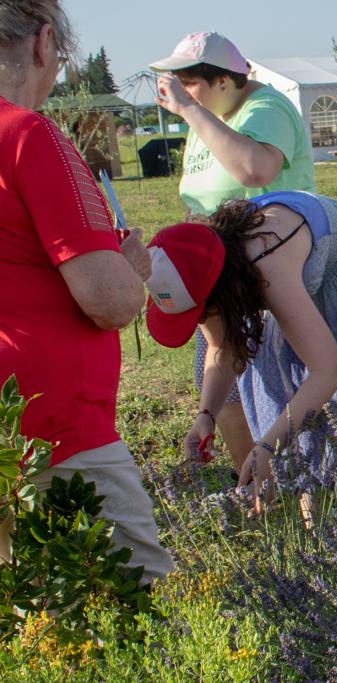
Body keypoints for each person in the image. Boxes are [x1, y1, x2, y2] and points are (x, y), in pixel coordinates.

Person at [0, 0, 172, 581]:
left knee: (22, 605)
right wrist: (128, 267)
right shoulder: (28, 135)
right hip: (51, 427)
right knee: (131, 596)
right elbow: (111, 301)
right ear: (43, 42)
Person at [145, 192, 337, 506]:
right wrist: (205, 416)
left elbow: (328, 371)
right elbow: (222, 347)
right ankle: (315, 517)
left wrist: (267, 448)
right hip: (286, 269)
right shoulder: (209, 269)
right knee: (287, 392)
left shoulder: (267, 264)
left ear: (218, 292)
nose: (200, 321)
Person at [150, 32, 317, 473]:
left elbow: (255, 169)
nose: (180, 93)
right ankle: (258, 485)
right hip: (221, 272)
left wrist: (191, 111)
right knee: (221, 383)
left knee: (287, 382)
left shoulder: (266, 109)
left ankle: (308, 484)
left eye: (190, 82)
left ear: (224, 80)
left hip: (273, 269)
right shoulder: (206, 118)